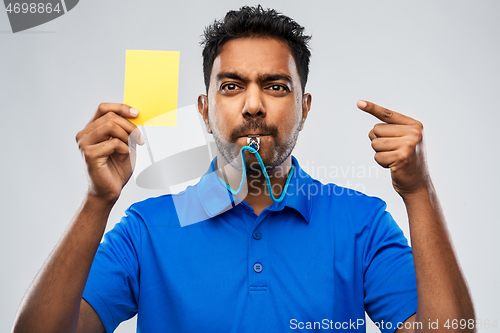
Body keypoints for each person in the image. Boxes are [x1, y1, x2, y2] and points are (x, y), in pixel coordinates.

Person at [12, 5, 475, 333]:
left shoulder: (362, 225)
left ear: (305, 106)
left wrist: (419, 192)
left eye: (275, 86)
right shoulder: (146, 229)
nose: (253, 105)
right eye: (231, 86)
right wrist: (97, 202)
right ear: (205, 108)